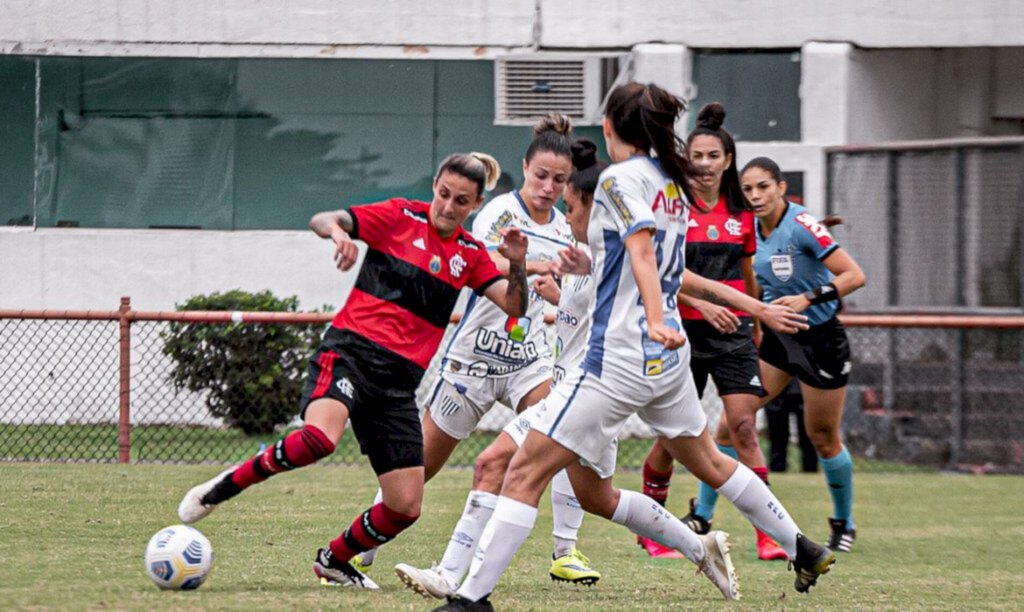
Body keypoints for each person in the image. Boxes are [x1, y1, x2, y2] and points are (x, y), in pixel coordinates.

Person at [435, 83, 837, 612]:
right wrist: (755, 307)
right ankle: (800, 546)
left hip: (619, 358)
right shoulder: (669, 183)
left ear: (609, 127)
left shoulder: (621, 179)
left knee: (523, 470)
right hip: (666, 362)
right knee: (708, 461)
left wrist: (651, 315)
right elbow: (668, 267)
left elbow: (645, 256)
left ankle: (469, 599)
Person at [176, 152, 531, 590]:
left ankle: (334, 560)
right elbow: (323, 218)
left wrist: (516, 262)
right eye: (443, 194)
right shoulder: (399, 215)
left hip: (397, 385)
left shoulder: (470, 254)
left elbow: (515, 305)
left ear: (474, 206)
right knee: (318, 440)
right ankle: (225, 486)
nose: (447, 206)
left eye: (460, 201)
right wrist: (339, 235)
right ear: (434, 184)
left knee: (405, 507)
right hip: (351, 353)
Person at [354, 114, 600, 585]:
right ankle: (365, 542)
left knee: (565, 434)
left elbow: (583, 274)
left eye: (560, 180)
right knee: (418, 467)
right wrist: (539, 265)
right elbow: (479, 262)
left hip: (531, 359)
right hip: (476, 359)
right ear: (524, 167)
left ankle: (565, 551)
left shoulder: (572, 224)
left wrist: (566, 277)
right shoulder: (500, 213)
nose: (549, 188)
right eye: (541, 176)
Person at [636, 102, 786, 561]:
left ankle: (767, 535)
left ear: (727, 160)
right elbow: (658, 272)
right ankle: (652, 527)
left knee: (742, 426)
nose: (703, 164)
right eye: (695, 156)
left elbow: (747, 275)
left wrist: (755, 322)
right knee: (673, 436)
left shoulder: (742, 214)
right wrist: (700, 303)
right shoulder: (672, 208)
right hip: (681, 333)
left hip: (735, 334)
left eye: (712, 156)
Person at [741, 156, 866, 553]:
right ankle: (703, 515)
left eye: (763, 186)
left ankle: (844, 522)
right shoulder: (748, 230)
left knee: (822, 437)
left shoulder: (803, 225)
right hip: (780, 338)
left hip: (821, 339)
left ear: (780, 187)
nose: (756, 195)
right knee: (736, 420)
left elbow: (854, 276)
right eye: (748, 189)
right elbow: (756, 287)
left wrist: (808, 297)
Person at [765, 378, 819, 473]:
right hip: (777, 386)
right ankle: (777, 469)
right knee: (777, 436)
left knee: (809, 437)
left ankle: (810, 469)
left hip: (805, 384)